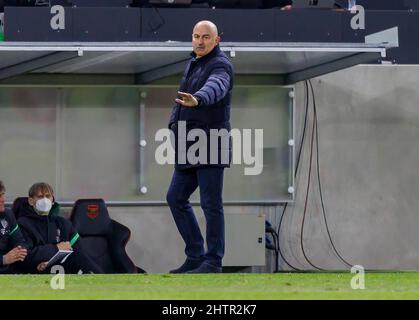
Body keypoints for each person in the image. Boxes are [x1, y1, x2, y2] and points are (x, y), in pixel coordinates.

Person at [166, 20, 234, 274]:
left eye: (206, 37)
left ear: (217, 40)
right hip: (190, 144)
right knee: (175, 198)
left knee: (211, 204)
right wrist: (174, 122)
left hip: (211, 142)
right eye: (196, 36)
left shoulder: (220, 64)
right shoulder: (194, 62)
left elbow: (216, 86)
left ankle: (213, 261)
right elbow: (182, 100)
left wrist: (199, 99)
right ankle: (195, 255)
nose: (200, 41)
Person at [17, 182, 103, 274]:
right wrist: (56, 248)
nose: (45, 200)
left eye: (47, 196)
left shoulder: (64, 223)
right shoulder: (23, 224)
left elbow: (79, 250)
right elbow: (24, 255)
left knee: (79, 256)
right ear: (31, 200)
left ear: (52, 199)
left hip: (62, 268)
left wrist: (51, 260)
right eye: (40, 196)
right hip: (35, 270)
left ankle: (102, 281)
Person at [0, 180, 28, 274]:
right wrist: (3, 259)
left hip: (9, 272)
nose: (3, 199)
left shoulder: (8, 215)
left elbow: (19, 240)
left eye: (3, 194)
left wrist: (19, 251)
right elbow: (5, 259)